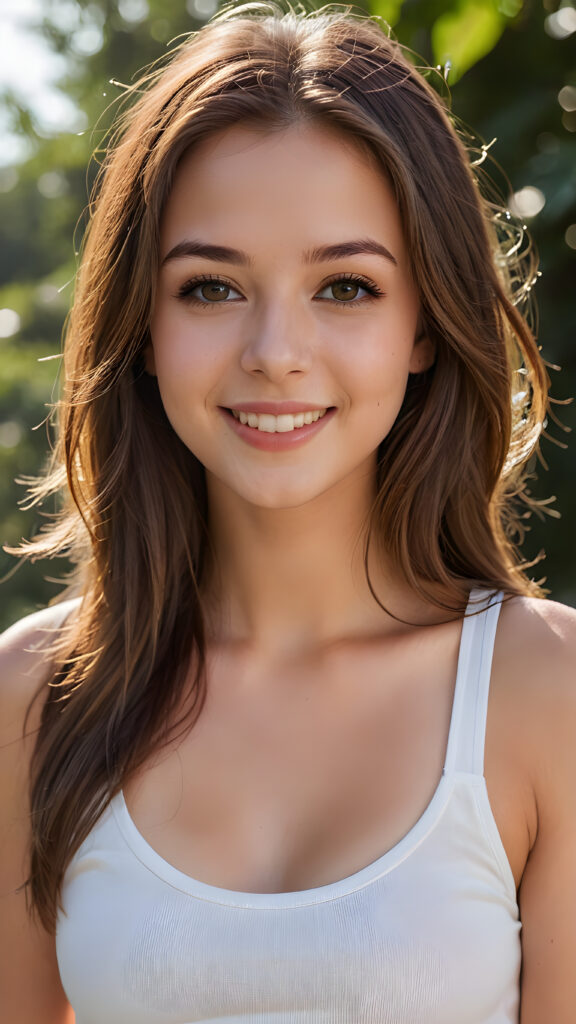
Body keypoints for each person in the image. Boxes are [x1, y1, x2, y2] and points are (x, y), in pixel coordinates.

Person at [1, 3, 576, 1021]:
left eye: (345, 287)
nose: (274, 349)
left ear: (427, 326)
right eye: (212, 288)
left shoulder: (551, 694)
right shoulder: (33, 701)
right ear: (140, 327)